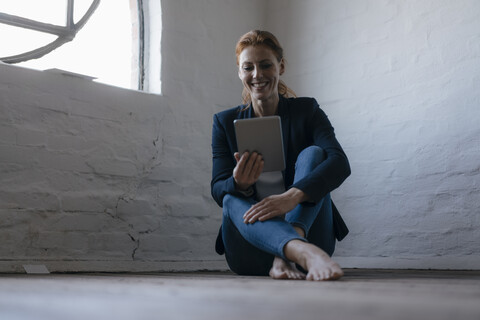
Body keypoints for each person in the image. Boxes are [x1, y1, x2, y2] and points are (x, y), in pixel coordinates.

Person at [211, 30, 351, 281]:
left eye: (266, 65)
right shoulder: (223, 122)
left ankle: (291, 251)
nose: (257, 74)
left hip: (310, 235)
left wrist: (292, 197)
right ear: (240, 72)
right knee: (231, 197)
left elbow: (340, 163)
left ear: (281, 67)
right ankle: (297, 250)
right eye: (248, 67)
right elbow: (217, 188)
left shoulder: (307, 110)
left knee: (315, 154)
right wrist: (238, 183)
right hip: (249, 246)